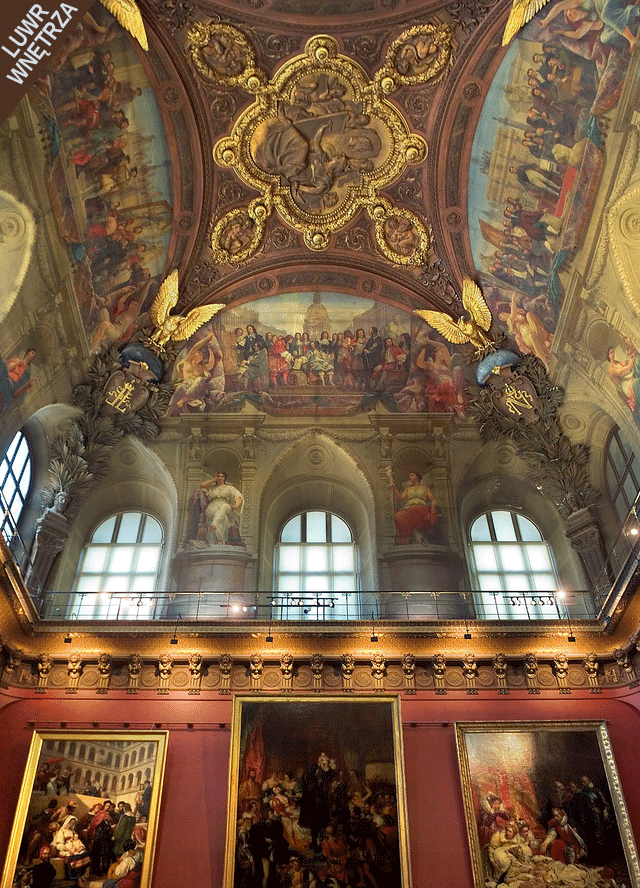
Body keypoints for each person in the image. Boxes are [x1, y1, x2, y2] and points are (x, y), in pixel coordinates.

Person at [388, 471, 438, 545]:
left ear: (417, 476)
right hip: (409, 509)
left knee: (415, 509)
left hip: (422, 509)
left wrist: (433, 510)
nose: (410, 477)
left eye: (412, 475)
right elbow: (400, 499)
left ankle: (417, 536)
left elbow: (433, 500)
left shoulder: (425, 488)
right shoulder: (408, 489)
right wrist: (394, 490)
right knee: (397, 516)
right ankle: (412, 536)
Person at [198, 472, 244, 545]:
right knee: (223, 518)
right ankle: (219, 540)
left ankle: (215, 524)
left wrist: (236, 505)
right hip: (212, 507)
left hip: (225, 506)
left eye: (222, 476)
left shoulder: (229, 488)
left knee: (225, 507)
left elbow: (238, 496)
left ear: (224, 478)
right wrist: (213, 480)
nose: (220, 478)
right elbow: (202, 485)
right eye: (218, 476)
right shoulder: (211, 488)